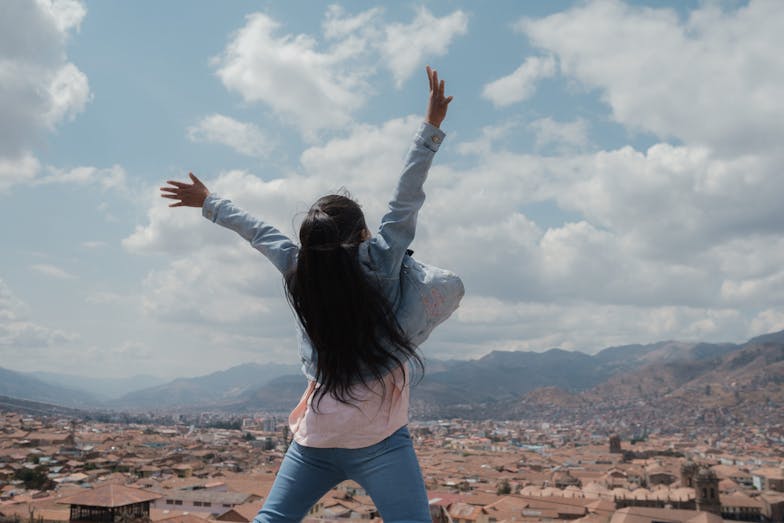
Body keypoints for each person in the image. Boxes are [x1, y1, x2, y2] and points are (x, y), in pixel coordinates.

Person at [160, 66, 462, 522]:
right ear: (361, 234)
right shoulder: (381, 261)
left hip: (316, 440)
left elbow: (259, 232)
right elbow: (405, 199)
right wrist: (431, 128)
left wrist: (209, 201)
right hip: (381, 441)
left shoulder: (300, 271)